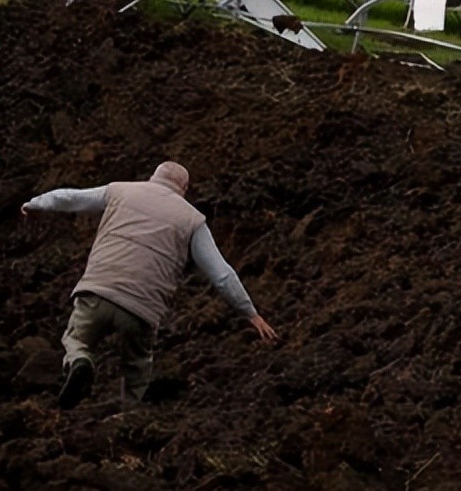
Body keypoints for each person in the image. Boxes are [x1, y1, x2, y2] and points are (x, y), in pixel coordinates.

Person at [21, 161, 278, 409]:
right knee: (137, 365)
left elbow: (70, 198)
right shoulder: (193, 220)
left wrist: (36, 204)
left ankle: (80, 360)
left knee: (76, 338)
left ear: (153, 176)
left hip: (97, 292)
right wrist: (250, 313)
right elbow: (221, 274)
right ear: (184, 188)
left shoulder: (120, 190)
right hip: (141, 310)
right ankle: (127, 416)